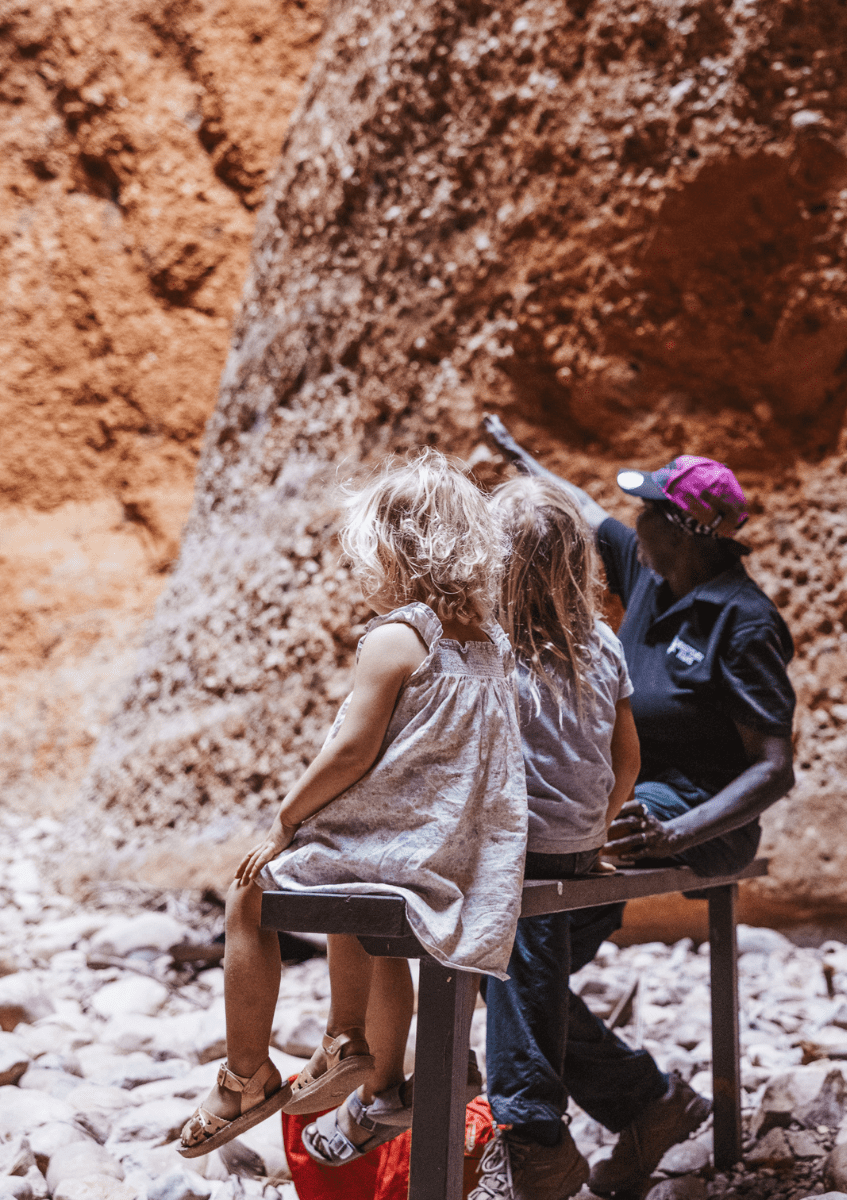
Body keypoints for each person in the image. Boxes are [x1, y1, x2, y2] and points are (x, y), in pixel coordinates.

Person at [477, 416, 796, 1200]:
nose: (632, 521)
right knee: (512, 960)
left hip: (690, 814)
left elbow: (773, 768)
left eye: (648, 509)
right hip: (623, 809)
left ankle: (540, 1135)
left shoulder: (743, 621)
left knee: (515, 939)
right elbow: (581, 510)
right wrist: (518, 457)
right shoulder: (650, 573)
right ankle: (645, 1105)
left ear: (683, 528)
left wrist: (674, 832)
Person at [178, 448, 527, 1163]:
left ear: (393, 548)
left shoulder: (399, 636)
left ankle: (245, 1075)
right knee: (364, 911)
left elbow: (351, 753)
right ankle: (362, 1057)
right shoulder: (491, 644)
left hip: (401, 847)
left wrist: (284, 820)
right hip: (457, 854)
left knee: (249, 892)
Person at [470, 476, 642, 1200]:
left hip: (522, 855)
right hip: (581, 848)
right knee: (526, 980)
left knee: (506, 956)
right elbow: (627, 756)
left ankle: (532, 1133)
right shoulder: (603, 641)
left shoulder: (491, 649)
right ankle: (648, 1102)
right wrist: (595, 827)